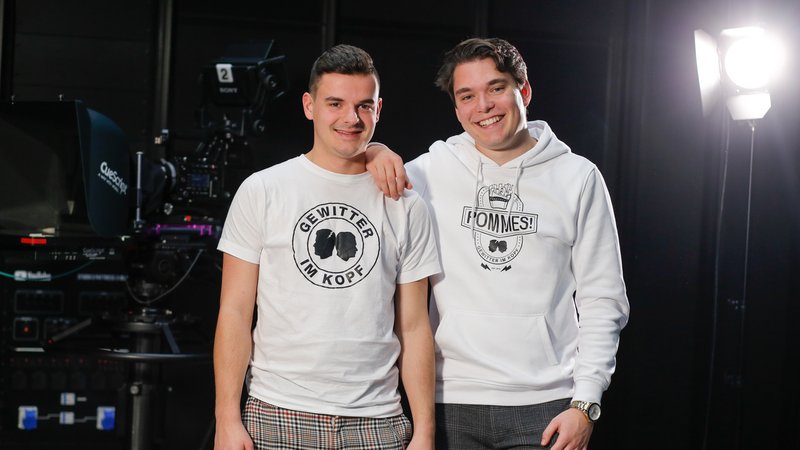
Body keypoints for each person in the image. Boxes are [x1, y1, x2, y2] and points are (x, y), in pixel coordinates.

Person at [366, 37, 630, 450]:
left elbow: (604, 299)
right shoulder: (431, 172)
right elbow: (358, 177)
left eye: (495, 88)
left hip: (547, 407)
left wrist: (586, 403)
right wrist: (374, 151)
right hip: (449, 400)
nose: (483, 106)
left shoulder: (578, 178)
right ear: (456, 109)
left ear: (523, 90)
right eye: (467, 96)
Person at [213, 44, 441, 450]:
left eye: (364, 106)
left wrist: (424, 430)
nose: (350, 118)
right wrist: (226, 417)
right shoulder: (263, 190)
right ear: (309, 105)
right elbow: (234, 311)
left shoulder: (406, 204)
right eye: (335, 103)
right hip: (276, 412)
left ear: (378, 109)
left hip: (377, 422)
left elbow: (414, 326)